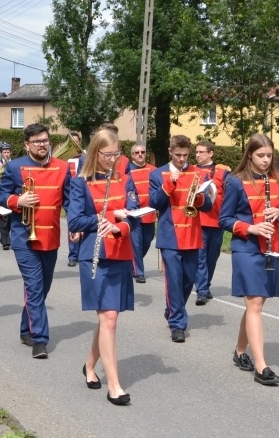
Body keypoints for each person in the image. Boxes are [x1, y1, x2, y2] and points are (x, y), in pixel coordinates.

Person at [68, 128, 137, 406]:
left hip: (120, 251)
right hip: (94, 256)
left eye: (116, 154)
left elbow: (136, 218)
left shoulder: (125, 180)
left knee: (108, 318)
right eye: (107, 155)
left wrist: (120, 224)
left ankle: (89, 366)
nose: (113, 160)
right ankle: (115, 386)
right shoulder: (80, 183)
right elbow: (74, 222)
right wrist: (104, 217)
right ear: (95, 153)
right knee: (109, 318)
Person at [0, 123, 71, 359]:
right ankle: (40, 339)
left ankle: (25, 328)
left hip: (50, 237)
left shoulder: (63, 167)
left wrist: (78, 226)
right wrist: (18, 201)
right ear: (27, 144)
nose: (42, 144)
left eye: (45, 140)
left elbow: (70, 200)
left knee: (41, 288)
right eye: (37, 141)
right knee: (35, 286)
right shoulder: (14, 167)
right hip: (24, 239)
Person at [219, 134, 279, 386]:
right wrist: (251, 228)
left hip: (271, 248)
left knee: (256, 305)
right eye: (261, 156)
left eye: (269, 156)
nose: (265, 161)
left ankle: (240, 351)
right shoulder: (235, 182)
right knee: (255, 303)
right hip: (247, 248)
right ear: (250, 155)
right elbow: (224, 219)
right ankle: (261, 366)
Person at [148, 135, 213, 343]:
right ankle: (177, 324)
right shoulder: (158, 174)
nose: (182, 159)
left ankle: (172, 309)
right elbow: (154, 203)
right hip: (170, 235)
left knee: (189, 279)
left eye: (185, 155)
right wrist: (168, 186)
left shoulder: (198, 173)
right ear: (170, 151)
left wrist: (201, 198)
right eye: (178, 155)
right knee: (174, 281)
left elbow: (208, 206)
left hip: (192, 234)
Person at [194, 139, 230, 304]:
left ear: (211, 153)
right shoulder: (191, 171)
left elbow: (230, 194)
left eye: (201, 152)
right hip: (198, 221)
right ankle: (201, 290)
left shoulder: (222, 172)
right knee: (200, 257)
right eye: (197, 152)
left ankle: (205, 285)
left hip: (217, 221)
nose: (198, 155)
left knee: (212, 257)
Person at [127, 143, 156, 284]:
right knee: (136, 244)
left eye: (142, 152)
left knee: (147, 241)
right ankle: (139, 272)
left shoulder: (153, 170)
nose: (140, 155)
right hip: (134, 213)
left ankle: (133, 264)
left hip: (149, 213)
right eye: (137, 152)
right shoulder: (127, 171)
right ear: (132, 155)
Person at [65, 132, 84, 267]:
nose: (75, 144)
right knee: (72, 225)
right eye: (72, 142)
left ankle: (82, 253)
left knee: (84, 225)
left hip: (83, 194)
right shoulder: (65, 158)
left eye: (76, 141)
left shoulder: (85, 156)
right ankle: (73, 255)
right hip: (70, 195)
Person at [0, 141, 13, 250]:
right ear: (1, 153)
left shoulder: (14, 163)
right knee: (2, 218)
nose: (6, 154)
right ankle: (6, 242)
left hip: (12, 194)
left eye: (8, 152)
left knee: (11, 218)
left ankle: (7, 238)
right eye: (4, 152)